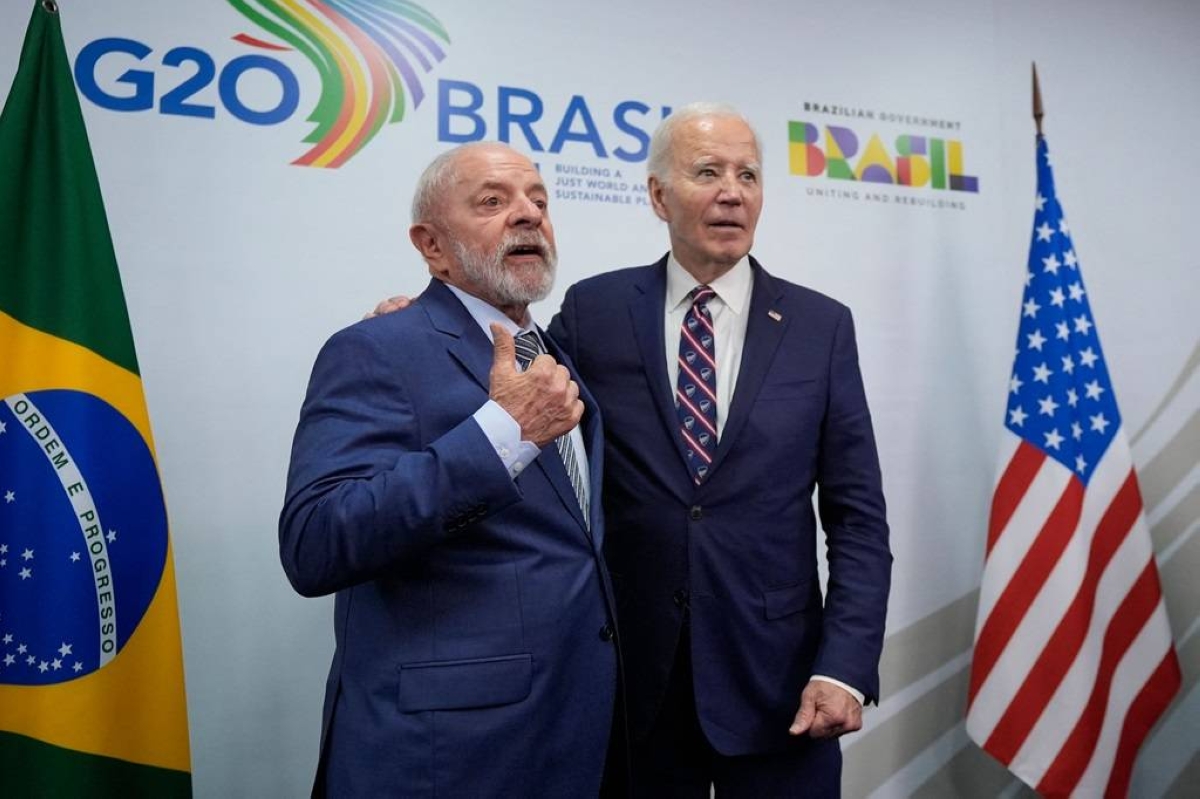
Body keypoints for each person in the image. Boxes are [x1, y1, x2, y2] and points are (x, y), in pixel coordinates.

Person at [371, 103, 892, 797]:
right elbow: (511, 378)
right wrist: (424, 327)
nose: (732, 191)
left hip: (781, 687)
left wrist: (845, 665)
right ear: (658, 196)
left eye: (748, 174)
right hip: (630, 686)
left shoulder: (821, 326)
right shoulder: (596, 309)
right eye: (707, 172)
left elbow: (858, 518)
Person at [281, 142, 618, 797]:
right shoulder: (378, 349)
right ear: (431, 245)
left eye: (539, 201)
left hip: (573, 738)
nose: (527, 215)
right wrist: (501, 435)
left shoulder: (556, 359)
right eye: (493, 201)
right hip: (445, 760)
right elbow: (316, 541)